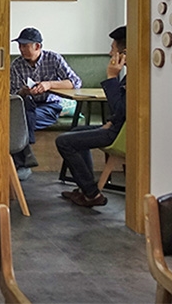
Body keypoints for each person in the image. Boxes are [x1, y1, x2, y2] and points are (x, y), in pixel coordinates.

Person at [56, 26, 126, 208]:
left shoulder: (134, 78)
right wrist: (111, 120)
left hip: (120, 134)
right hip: (117, 127)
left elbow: (119, 107)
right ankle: (85, 189)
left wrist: (111, 77)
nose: (109, 53)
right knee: (76, 131)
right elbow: (123, 110)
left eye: (112, 48)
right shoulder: (132, 75)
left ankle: (92, 193)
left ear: (124, 53)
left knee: (64, 141)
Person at [10, 27, 82, 180]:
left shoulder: (54, 59)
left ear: (37, 46)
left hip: (49, 106)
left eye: (25, 45)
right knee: (20, 109)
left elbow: (75, 82)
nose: (21, 49)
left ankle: (23, 161)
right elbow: (13, 93)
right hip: (25, 105)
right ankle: (26, 157)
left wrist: (49, 84)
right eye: (20, 45)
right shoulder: (16, 65)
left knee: (15, 120)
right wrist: (24, 91)